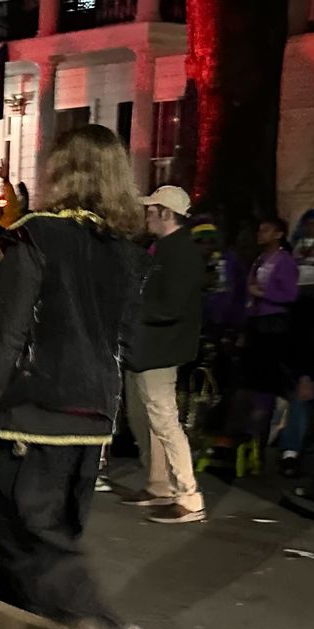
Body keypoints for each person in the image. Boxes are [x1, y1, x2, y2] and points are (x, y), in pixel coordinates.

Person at [0, 124, 152, 629]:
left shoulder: (36, 238)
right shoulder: (125, 249)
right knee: (35, 539)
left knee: (32, 538)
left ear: (61, 172)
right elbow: (124, 338)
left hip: (36, 409)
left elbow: (7, 336)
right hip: (94, 413)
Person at [121, 185, 205, 522]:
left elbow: (170, 306)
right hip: (149, 347)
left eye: (151, 211)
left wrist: (130, 309)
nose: (146, 217)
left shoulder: (181, 252)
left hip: (160, 349)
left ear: (166, 213)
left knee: (164, 420)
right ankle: (159, 485)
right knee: (147, 418)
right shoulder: (168, 248)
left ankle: (188, 496)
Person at [240, 216, 299, 466]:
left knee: (265, 382)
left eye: (266, 230)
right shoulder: (261, 259)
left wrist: (263, 293)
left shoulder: (284, 260)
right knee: (251, 383)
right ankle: (249, 436)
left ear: (278, 234)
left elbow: (290, 293)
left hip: (273, 326)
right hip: (256, 321)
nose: (260, 233)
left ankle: (261, 440)